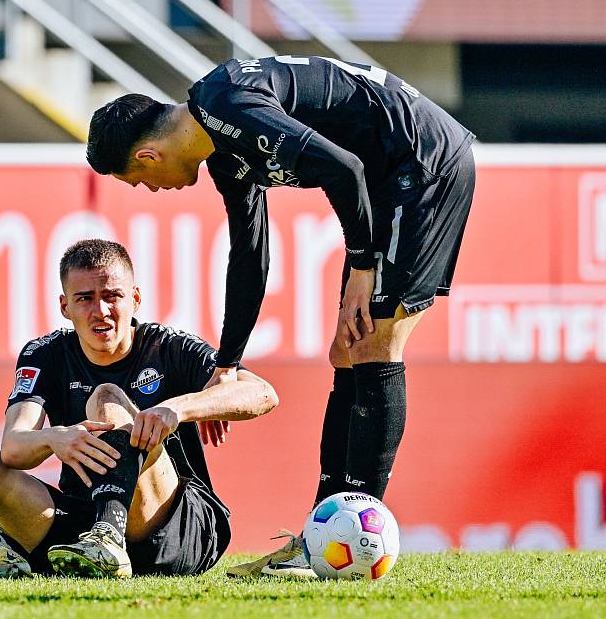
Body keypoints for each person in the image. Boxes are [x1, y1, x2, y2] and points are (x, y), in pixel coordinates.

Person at [85, 55, 476, 577]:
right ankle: (322, 532)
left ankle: (356, 535)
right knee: (348, 348)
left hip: (421, 164)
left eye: (139, 181)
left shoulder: (225, 103)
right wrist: (227, 361)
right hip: (386, 180)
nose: (150, 191)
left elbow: (345, 168)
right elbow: (250, 255)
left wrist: (362, 266)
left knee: (378, 344)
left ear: (149, 155)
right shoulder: (225, 150)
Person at [0, 239, 278, 579]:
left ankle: (110, 534)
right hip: (80, 531)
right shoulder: (45, 353)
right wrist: (55, 438)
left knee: (106, 396)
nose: (101, 310)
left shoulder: (168, 347)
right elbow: (14, 447)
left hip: (172, 524)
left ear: (135, 299)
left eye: (112, 296)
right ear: (65, 307)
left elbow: (262, 393)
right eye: (85, 298)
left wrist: (178, 409)